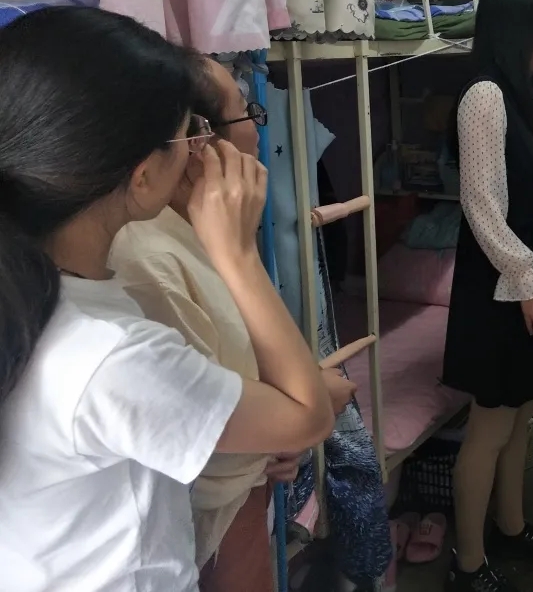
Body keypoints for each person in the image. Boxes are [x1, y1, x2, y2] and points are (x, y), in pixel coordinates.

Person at [0, 6, 335, 592]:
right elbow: (306, 415)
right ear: (142, 175)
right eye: (188, 132)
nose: (201, 147)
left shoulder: (52, 294)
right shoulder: (108, 354)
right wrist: (238, 253)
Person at [108, 57, 358, 592]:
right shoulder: (151, 260)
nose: (257, 130)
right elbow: (196, 431)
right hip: (213, 519)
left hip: (243, 492)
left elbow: (231, 379)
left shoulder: (201, 230)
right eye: (249, 113)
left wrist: (279, 433)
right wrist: (290, 422)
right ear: (198, 141)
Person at [441, 0, 533, 592]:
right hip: (499, 291)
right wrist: (528, 280)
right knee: (490, 426)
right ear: (521, 28)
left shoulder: (519, 96)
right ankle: (468, 565)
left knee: (521, 412)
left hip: (525, 282)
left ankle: (511, 525)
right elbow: (481, 204)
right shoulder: (483, 96)